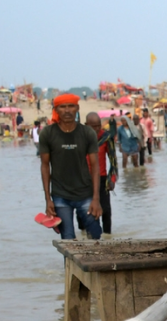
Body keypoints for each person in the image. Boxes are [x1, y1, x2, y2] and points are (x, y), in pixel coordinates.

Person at [38, 93, 101, 239]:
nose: (67, 111)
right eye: (63, 107)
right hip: (60, 195)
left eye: (71, 106)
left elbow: (95, 166)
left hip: (85, 194)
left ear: (77, 108)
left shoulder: (87, 133)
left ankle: (91, 261)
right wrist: (48, 200)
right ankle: (70, 263)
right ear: (56, 110)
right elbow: (45, 166)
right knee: (68, 238)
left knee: (96, 233)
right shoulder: (47, 134)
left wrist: (96, 199)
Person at [86, 111, 118, 235]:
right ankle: (89, 235)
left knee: (105, 209)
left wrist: (112, 179)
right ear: (86, 125)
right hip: (84, 179)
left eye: (98, 125)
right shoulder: (81, 138)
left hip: (102, 177)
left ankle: (107, 236)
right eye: (92, 126)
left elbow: (113, 161)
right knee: (86, 210)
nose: (96, 129)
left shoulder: (106, 137)